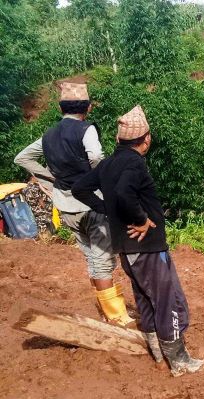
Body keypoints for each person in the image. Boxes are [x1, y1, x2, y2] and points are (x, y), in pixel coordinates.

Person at [72, 105, 204, 376]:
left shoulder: (109, 164)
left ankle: (157, 353)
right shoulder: (135, 162)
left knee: (145, 299)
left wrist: (104, 209)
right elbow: (124, 191)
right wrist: (142, 219)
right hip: (148, 247)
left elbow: (79, 188)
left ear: (119, 140)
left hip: (126, 247)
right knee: (168, 300)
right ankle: (179, 361)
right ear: (146, 139)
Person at [14, 82, 134, 326]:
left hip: (65, 206)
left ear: (61, 108)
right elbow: (96, 157)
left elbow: (22, 157)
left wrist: (51, 177)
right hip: (90, 205)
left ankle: (104, 311)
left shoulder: (48, 135)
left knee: (91, 258)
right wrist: (100, 179)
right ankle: (117, 318)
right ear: (87, 108)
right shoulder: (86, 130)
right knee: (102, 262)